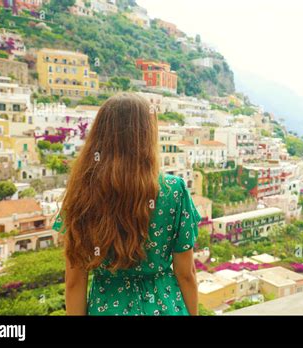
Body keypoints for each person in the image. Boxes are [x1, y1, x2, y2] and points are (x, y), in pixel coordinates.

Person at [52, 93, 201, 316]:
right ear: (147, 135)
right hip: (164, 306)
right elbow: (186, 273)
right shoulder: (174, 191)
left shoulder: (81, 193)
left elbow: (75, 283)